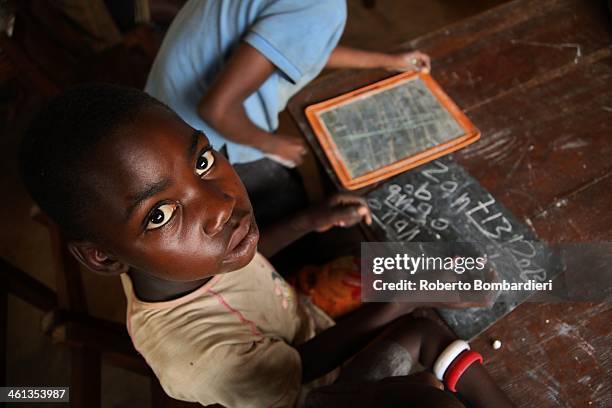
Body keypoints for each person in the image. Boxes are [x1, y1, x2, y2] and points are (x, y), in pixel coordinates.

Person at [20, 84, 512, 408]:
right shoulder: (196, 361)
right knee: (417, 330)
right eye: (160, 213)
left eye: (204, 162)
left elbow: (248, 259)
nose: (218, 205)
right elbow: (301, 371)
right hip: (313, 390)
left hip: (302, 318)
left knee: (410, 304)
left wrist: (307, 220)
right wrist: (404, 297)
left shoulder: (188, 256)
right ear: (103, 256)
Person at [144, 0, 431, 225]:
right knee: (290, 211)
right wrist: (273, 144)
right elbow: (217, 108)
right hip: (203, 144)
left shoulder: (311, 11)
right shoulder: (319, 6)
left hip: (159, 118)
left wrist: (387, 61)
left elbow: (295, 44)